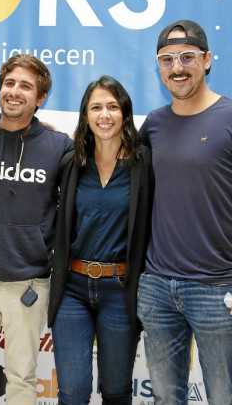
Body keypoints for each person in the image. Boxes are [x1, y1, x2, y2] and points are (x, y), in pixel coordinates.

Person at [137, 19, 232, 404]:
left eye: (187, 57)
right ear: (158, 66)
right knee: (166, 396)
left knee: (223, 396)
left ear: (207, 60)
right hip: (157, 287)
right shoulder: (153, 124)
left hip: (219, 290)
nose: (177, 68)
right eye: (167, 60)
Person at [0, 54, 73, 405]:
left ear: (40, 98)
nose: (15, 91)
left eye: (26, 86)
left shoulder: (58, 147)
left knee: (22, 378)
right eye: (9, 83)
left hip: (30, 283)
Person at [48, 75, 153, 405]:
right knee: (73, 392)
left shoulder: (144, 163)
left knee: (116, 391)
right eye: (96, 107)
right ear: (85, 115)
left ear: (125, 112)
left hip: (120, 291)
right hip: (73, 290)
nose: (104, 115)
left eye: (112, 106)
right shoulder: (71, 162)